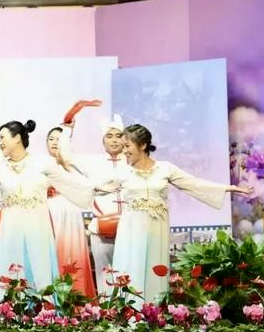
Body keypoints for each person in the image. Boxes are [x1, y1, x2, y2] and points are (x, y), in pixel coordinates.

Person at [102, 124, 252, 305]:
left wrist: (229, 188)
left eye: (127, 146)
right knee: (131, 268)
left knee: (154, 270)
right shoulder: (122, 171)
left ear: (142, 146)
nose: (124, 150)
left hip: (156, 230)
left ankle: (153, 313)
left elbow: (194, 183)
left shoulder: (165, 168)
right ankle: (128, 315)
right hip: (131, 230)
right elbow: (98, 187)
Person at [0, 120, 94, 305]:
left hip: (38, 227)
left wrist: (101, 187)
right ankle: (5, 316)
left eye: (2, 137)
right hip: (10, 230)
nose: (0, 141)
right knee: (9, 270)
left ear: (17, 138)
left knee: (40, 268)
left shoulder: (42, 164)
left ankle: (44, 318)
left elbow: (74, 185)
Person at [56, 114, 129, 295]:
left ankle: (132, 316)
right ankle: (108, 314)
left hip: (129, 225)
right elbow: (66, 156)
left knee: (129, 271)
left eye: (118, 136)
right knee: (105, 274)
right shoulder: (93, 162)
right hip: (102, 226)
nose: (114, 140)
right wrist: (67, 130)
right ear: (103, 140)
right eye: (109, 136)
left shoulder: (132, 162)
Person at [45, 126, 96, 297]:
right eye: (51, 138)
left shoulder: (74, 165)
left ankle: (77, 300)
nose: (55, 142)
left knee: (72, 255)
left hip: (70, 212)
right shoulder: (41, 165)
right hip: (49, 212)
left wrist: (67, 165)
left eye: (59, 139)